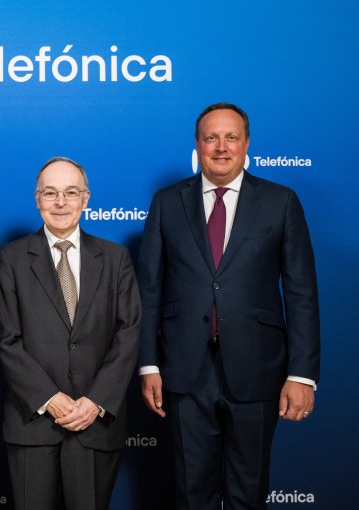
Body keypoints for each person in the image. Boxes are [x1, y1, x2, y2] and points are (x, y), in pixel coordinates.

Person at [137, 103, 320, 510]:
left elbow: (301, 292)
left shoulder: (281, 202)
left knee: (247, 493)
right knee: (191, 492)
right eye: (211, 138)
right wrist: (148, 364)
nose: (221, 147)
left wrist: (302, 374)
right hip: (184, 373)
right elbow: (148, 289)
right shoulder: (167, 202)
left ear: (246, 143)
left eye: (231, 137)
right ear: (198, 145)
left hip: (258, 370)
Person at [0, 157, 141, 510]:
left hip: (94, 422)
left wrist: (96, 401)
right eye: (50, 193)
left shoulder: (115, 258)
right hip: (33, 422)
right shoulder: (11, 258)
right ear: (37, 199)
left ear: (86, 198)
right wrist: (49, 397)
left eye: (70, 192)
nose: (60, 202)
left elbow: (129, 332)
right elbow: (4, 338)